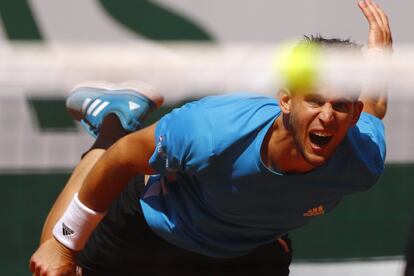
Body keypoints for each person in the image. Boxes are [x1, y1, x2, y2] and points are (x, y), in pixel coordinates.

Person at [30, 0, 392, 275]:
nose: (328, 116)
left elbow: (373, 107)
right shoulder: (212, 130)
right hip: (154, 227)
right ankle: (111, 121)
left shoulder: (363, 156)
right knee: (56, 258)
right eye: (314, 100)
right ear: (285, 100)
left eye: (341, 105)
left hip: (250, 248)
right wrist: (64, 248)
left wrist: (379, 62)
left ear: (353, 112)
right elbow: (123, 159)